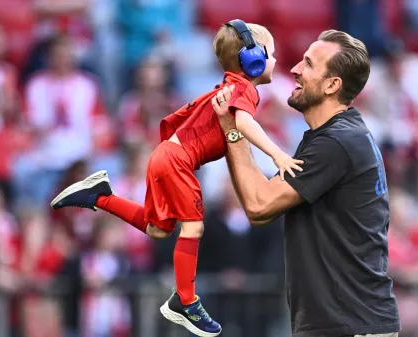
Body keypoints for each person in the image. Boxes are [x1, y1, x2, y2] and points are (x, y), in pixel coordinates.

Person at [49, 19, 302, 337]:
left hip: (169, 157)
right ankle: (184, 301)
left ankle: (100, 196)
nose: (276, 61)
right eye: (270, 53)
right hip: (178, 161)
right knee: (193, 226)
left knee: (159, 228)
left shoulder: (226, 85)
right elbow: (246, 125)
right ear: (250, 59)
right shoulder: (243, 89)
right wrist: (277, 153)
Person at [211, 30, 401, 337]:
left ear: (332, 85)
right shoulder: (333, 138)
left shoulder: (336, 143)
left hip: (350, 326)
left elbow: (259, 206)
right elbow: (260, 201)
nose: (296, 70)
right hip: (348, 323)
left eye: (309, 64)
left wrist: (233, 130)